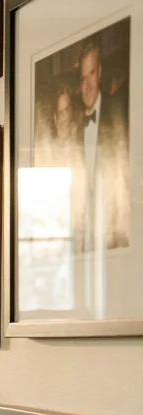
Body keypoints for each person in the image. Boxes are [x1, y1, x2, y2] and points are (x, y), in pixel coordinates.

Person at [75, 37, 130, 253]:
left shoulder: (119, 112)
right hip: (85, 242)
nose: (87, 86)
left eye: (91, 74)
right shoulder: (74, 127)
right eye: (82, 78)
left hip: (116, 237)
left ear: (99, 72)